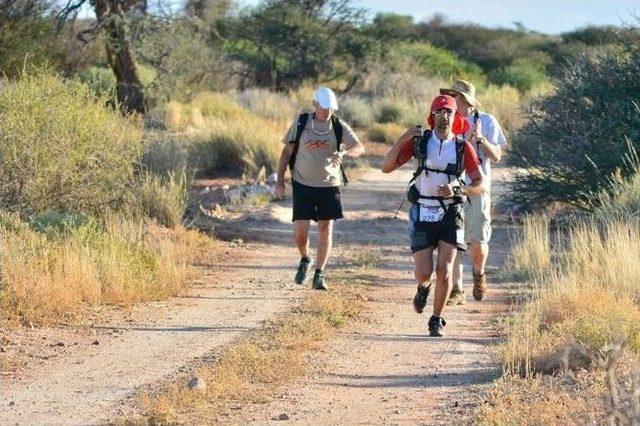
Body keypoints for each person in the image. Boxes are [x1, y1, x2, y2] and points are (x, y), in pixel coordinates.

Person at [381, 94, 484, 337]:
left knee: (445, 270)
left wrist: (459, 189)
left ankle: (436, 319)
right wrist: (403, 138)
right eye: (439, 111)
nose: (444, 115)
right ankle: (423, 287)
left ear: (454, 116)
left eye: (448, 112)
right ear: (432, 115)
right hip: (423, 211)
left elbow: (480, 183)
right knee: (425, 272)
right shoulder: (420, 143)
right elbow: (386, 167)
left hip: (451, 212)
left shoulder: (462, 147)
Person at [275, 87, 365, 290]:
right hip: (302, 184)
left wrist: (346, 154)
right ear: (315, 104)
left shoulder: (338, 125)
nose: (328, 112)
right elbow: (287, 151)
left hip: (329, 186)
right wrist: (280, 179)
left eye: (331, 108)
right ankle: (305, 258)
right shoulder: (301, 123)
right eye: (324, 108)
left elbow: (359, 147)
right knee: (301, 232)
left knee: (326, 228)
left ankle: (319, 273)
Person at [439, 80, 508, 305]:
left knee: (477, 242)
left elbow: (496, 156)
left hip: (477, 188)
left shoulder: (486, 121)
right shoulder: (446, 120)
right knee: (453, 238)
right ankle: (457, 289)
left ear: (465, 99)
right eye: (449, 95)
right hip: (452, 187)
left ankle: (478, 274)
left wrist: (480, 139)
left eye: (454, 95)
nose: (451, 99)